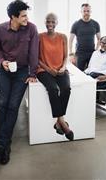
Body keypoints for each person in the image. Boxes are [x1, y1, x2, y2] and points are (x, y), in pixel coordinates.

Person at [0, 0, 39, 165]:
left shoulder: (31, 28)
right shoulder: (0, 29)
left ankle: (2, 145)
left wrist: (32, 72)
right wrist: (1, 61)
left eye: (27, 15)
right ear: (13, 17)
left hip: (22, 71)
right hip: (5, 70)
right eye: (23, 16)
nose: (27, 18)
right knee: (3, 103)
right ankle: (5, 144)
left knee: (13, 106)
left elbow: (34, 52)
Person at [36, 13, 73, 141]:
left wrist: (63, 67)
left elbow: (66, 56)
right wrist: (48, 69)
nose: (50, 24)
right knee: (53, 89)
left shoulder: (63, 37)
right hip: (43, 70)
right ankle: (62, 121)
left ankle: (58, 121)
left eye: (53, 22)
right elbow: (36, 58)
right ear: (45, 22)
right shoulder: (39, 37)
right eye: (48, 21)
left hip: (60, 69)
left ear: (57, 22)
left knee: (66, 89)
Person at [69, 3, 101, 71]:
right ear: (81, 12)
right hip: (79, 54)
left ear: (90, 12)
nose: (86, 13)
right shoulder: (76, 24)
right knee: (79, 74)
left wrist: (96, 50)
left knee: (91, 73)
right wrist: (71, 54)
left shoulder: (95, 24)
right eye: (84, 11)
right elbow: (70, 40)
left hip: (92, 54)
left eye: (88, 11)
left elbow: (99, 39)